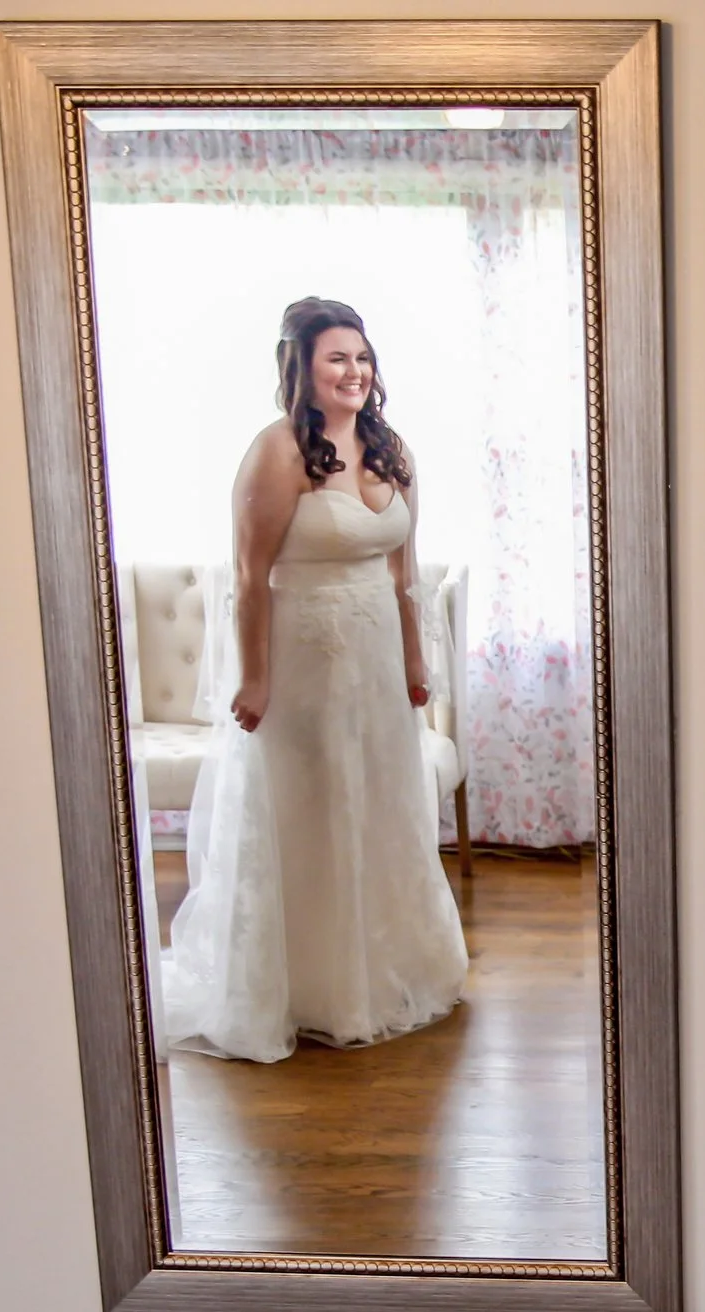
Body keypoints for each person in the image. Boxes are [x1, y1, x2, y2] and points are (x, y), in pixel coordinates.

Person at [161, 297, 469, 1063]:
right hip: (303, 663)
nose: (354, 372)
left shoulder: (389, 448)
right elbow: (248, 574)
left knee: (378, 805)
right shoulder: (275, 452)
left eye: (363, 358)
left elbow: (403, 574)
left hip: (373, 664)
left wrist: (414, 663)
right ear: (302, 368)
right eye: (338, 358)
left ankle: (381, 973)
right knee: (312, 811)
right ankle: (304, 989)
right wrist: (256, 679)